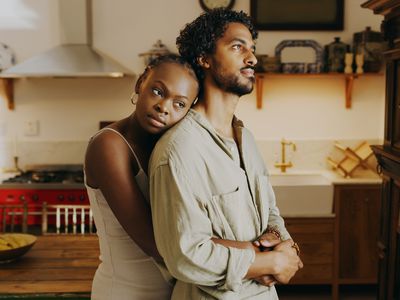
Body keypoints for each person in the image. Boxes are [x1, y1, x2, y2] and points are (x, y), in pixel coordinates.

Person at [149, 9, 303, 299]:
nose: (252, 58)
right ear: (204, 58)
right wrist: (266, 262)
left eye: (252, 48)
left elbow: (270, 211)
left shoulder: (246, 139)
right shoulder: (179, 151)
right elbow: (185, 255)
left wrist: (286, 247)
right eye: (237, 47)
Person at [84, 54, 199, 300]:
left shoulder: (170, 150)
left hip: (173, 293)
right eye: (158, 91)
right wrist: (249, 255)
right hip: (123, 292)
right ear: (141, 83)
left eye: (179, 104)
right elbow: (157, 245)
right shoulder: (109, 145)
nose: (164, 107)